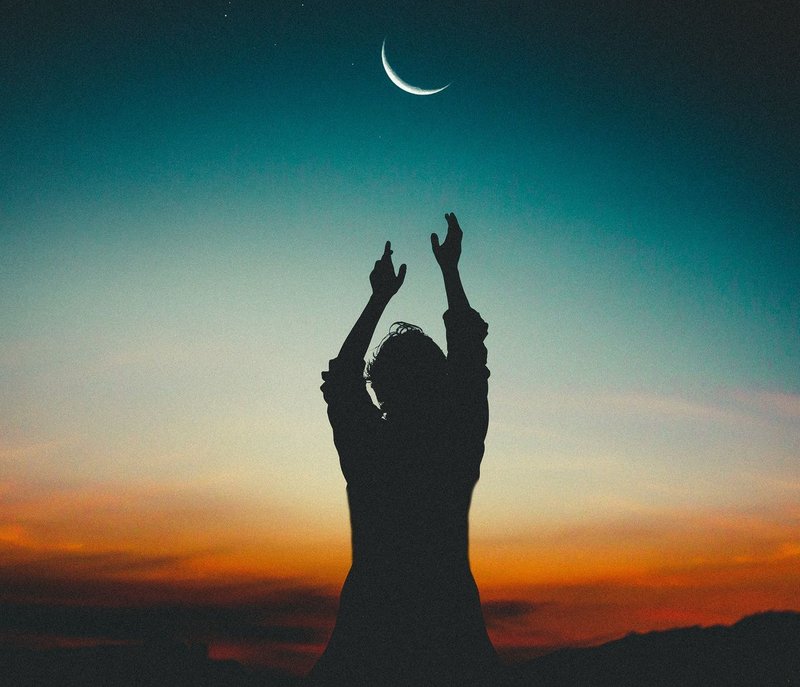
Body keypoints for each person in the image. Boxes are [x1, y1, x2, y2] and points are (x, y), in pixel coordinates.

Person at [309, 213, 498, 687]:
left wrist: (378, 299)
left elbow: (344, 379)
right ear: (438, 382)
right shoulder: (455, 445)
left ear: (384, 388)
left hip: (365, 643)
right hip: (454, 643)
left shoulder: (370, 452)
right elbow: (470, 364)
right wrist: (450, 272)